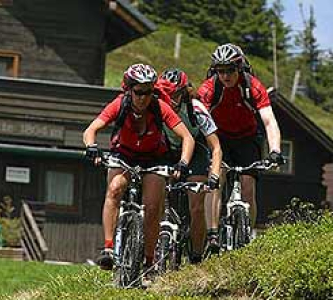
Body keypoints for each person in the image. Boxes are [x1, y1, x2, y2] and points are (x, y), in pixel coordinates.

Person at [83, 63, 195, 271]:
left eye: (148, 92)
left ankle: (149, 259)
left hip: (154, 158)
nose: (143, 97)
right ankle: (108, 248)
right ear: (129, 89)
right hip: (124, 155)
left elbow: (187, 138)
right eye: (138, 92)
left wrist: (183, 162)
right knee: (115, 189)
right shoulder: (120, 104)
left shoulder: (160, 106)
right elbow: (91, 129)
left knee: (153, 206)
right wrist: (92, 147)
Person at [197, 43, 285, 248]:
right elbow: (199, 119)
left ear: (239, 68)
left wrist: (275, 151)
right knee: (216, 181)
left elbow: (269, 121)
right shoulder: (209, 88)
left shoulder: (253, 86)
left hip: (247, 138)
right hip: (220, 139)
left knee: (248, 187)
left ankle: (248, 234)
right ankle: (212, 235)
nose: (225, 76)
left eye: (230, 70)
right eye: (221, 71)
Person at [155, 69, 222, 262]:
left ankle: (196, 255)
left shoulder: (196, 109)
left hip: (196, 151)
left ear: (184, 92)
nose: (170, 99)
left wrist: (215, 176)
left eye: (174, 95)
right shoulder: (157, 107)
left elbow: (216, 147)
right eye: (165, 94)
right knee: (155, 199)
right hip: (167, 149)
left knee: (196, 206)